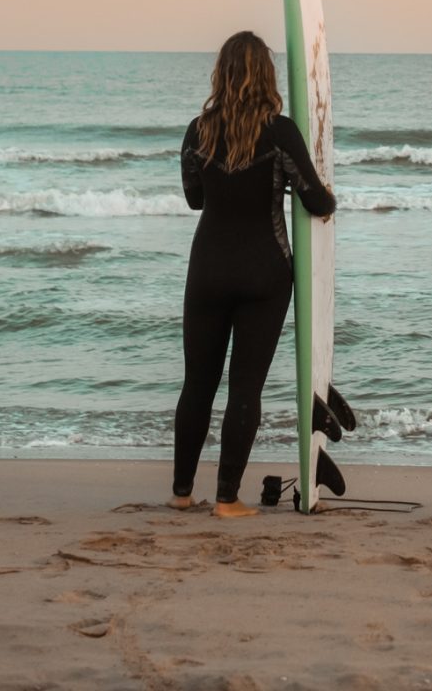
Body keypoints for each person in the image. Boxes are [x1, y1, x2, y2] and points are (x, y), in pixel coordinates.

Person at [170, 30, 335, 518]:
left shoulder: (196, 130)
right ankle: (226, 498)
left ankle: (181, 492)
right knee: (245, 387)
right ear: (267, 75)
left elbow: (194, 197)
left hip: (207, 269)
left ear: (221, 74)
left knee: (197, 383)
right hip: (265, 271)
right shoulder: (280, 131)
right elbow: (316, 198)